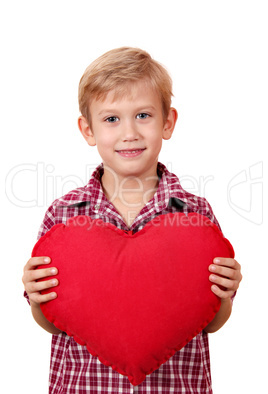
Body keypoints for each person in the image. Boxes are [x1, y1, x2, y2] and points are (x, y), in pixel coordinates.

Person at [22, 47, 242, 393]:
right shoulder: (63, 215)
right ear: (88, 130)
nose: (129, 132)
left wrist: (224, 295)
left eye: (143, 115)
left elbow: (211, 322)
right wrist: (37, 299)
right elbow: (53, 322)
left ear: (167, 122)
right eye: (111, 119)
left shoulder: (196, 215)